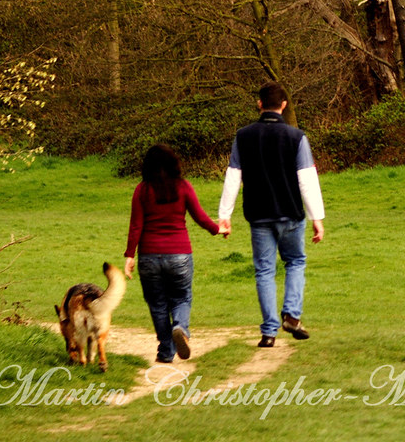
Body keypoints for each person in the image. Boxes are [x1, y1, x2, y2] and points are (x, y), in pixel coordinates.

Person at [218, 81, 325, 347]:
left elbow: (233, 176)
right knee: (295, 262)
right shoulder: (297, 137)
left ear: (259, 104)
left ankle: (268, 332)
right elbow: (306, 180)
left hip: (258, 216)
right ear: (284, 105)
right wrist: (317, 218)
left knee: (264, 272)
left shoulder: (243, 136)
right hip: (290, 214)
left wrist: (225, 215)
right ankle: (291, 314)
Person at [124, 144, 222, 363]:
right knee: (181, 297)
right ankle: (180, 327)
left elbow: (136, 226)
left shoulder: (142, 190)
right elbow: (200, 216)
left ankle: (166, 351)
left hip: (149, 256)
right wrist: (218, 229)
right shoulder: (183, 187)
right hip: (180, 255)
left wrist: (130, 256)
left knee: (157, 303)